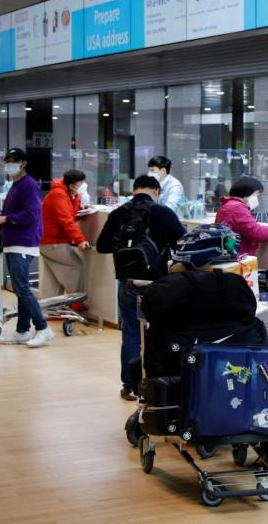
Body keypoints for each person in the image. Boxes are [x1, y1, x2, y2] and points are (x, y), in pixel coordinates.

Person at [97, 175, 186, 401]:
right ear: (156, 191)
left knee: (130, 332)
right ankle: (156, 382)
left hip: (127, 281)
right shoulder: (162, 212)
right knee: (160, 331)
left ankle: (130, 384)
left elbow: (102, 246)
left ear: (134, 190)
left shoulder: (118, 212)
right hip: (157, 283)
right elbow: (183, 242)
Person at [0, 148, 53, 348]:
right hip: (12, 241)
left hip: (23, 242)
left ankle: (43, 328)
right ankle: (22, 331)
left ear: (23, 163)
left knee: (22, 288)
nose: (9, 164)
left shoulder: (29, 185)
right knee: (20, 289)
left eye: (13, 160)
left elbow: (31, 215)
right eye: (7, 161)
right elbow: (9, 214)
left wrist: (4, 219)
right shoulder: (16, 185)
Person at [40, 169, 90, 303]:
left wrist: (82, 208)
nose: (83, 185)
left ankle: (50, 306)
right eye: (81, 183)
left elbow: (70, 212)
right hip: (53, 241)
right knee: (76, 265)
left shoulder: (70, 194)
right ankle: (75, 301)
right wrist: (80, 240)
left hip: (48, 241)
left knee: (52, 277)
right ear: (72, 185)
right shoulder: (58, 195)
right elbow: (66, 220)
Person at [216, 175, 268, 256]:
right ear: (247, 192)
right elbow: (256, 233)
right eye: (256, 195)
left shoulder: (227, 205)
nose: (257, 199)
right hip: (237, 256)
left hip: (227, 254)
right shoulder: (238, 208)